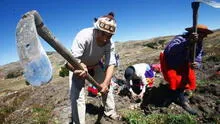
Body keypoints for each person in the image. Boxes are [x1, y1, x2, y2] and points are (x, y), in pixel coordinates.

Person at [66, 12, 120, 124]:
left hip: (96, 65)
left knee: (107, 88)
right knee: (77, 97)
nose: (105, 39)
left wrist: (105, 83)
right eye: (103, 34)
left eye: (109, 36)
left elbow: (110, 63)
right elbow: (69, 62)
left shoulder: (110, 43)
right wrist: (78, 68)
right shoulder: (83, 36)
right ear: (96, 29)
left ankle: (110, 112)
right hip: (78, 67)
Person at [160, 24, 213, 115]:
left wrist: (197, 64)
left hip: (184, 63)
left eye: (205, 34)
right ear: (195, 33)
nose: (205, 36)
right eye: (203, 34)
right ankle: (182, 101)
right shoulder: (180, 39)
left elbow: (198, 56)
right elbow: (171, 50)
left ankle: (177, 95)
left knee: (186, 79)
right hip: (172, 62)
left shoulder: (199, 43)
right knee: (175, 80)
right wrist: (188, 42)